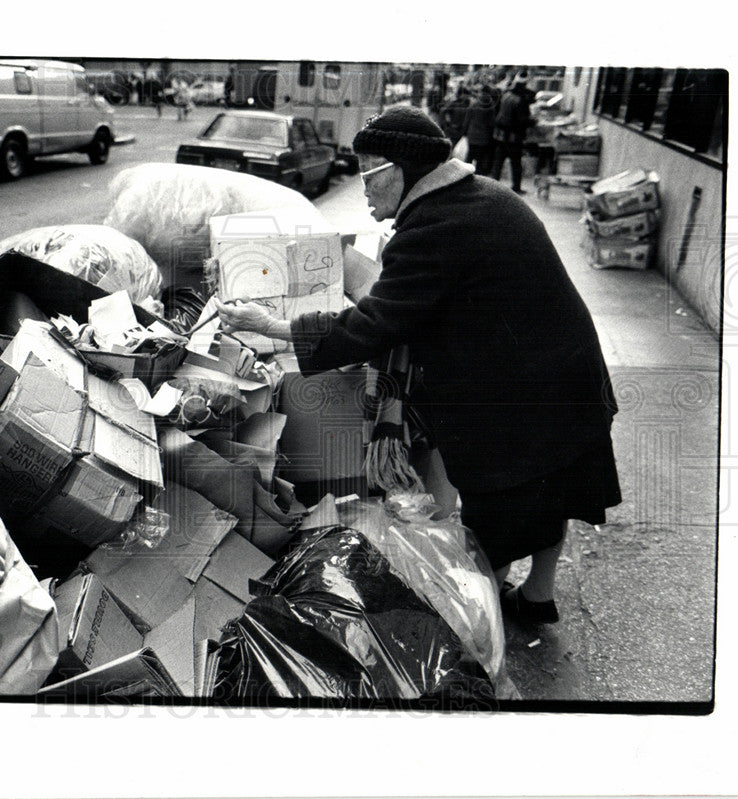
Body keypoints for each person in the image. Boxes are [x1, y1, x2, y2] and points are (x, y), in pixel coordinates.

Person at [214, 106, 621, 626]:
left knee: (500, 516)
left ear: (399, 171)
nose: (362, 189)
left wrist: (272, 325)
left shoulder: (435, 225)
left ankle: (482, 634)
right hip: (563, 381)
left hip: (529, 398)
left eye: (367, 174)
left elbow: (376, 324)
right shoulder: (479, 197)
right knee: (551, 494)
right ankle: (537, 598)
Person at [491, 73, 535, 193]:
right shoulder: (520, 100)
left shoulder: (506, 95)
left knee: (498, 164)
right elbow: (522, 120)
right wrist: (533, 122)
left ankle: (493, 186)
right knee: (516, 164)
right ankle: (516, 187)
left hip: (500, 135)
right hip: (513, 138)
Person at [462, 83, 498, 175]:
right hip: (484, 138)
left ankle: (465, 175)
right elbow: (492, 123)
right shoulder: (491, 107)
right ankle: (477, 177)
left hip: (472, 135)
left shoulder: (473, 105)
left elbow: (467, 121)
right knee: (480, 159)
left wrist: (464, 133)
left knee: (469, 156)